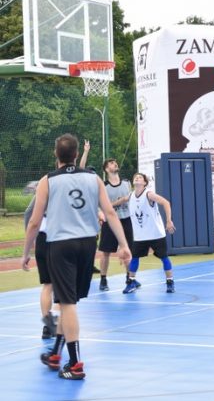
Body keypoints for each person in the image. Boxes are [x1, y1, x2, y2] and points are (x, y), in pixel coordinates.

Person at [22, 133, 131, 380]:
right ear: (75, 154)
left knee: (67, 304)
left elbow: (35, 222)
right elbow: (110, 214)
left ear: (55, 154)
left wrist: (26, 252)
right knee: (66, 302)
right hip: (87, 244)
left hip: (61, 244)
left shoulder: (47, 181)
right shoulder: (93, 178)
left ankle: (75, 364)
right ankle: (56, 353)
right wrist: (123, 244)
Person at [123, 173, 176, 294]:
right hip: (140, 235)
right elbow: (120, 201)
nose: (137, 178)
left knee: (164, 257)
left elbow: (166, 203)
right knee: (135, 258)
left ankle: (170, 282)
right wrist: (106, 207)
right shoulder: (130, 195)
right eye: (135, 177)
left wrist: (168, 221)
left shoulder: (149, 194)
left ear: (145, 183)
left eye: (140, 177)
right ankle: (131, 282)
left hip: (155, 233)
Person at [24, 196, 59, 339]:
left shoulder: (44, 185)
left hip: (42, 240)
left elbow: (29, 214)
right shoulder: (67, 185)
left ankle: (47, 327)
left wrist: (29, 239)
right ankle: (58, 322)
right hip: (60, 239)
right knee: (63, 286)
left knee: (47, 285)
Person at [97, 158, 134, 291]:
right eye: (111, 163)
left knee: (129, 250)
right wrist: (120, 201)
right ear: (107, 169)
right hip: (111, 222)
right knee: (106, 252)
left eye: (115, 162)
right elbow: (103, 206)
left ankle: (130, 278)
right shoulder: (104, 186)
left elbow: (131, 201)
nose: (115, 164)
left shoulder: (126, 183)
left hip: (126, 219)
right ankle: (103, 279)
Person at [78, 139, 101, 275]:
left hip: (92, 218)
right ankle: (81, 265)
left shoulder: (96, 187)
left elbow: (98, 204)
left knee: (93, 242)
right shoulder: (81, 181)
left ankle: (90, 265)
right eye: (89, 171)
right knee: (81, 242)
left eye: (93, 172)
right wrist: (86, 151)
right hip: (80, 216)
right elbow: (81, 166)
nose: (90, 173)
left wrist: (99, 215)